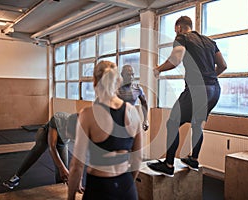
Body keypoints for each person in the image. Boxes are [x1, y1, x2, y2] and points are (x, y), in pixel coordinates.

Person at [147, 16, 227, 176]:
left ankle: (168, 165)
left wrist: (158, 69)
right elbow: (223, 65)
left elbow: (175, 60)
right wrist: (209, 79)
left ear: (178, 27)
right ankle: (193, 159)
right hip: (214, 90)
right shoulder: (210, 42)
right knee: (197, 125)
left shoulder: (182, 37)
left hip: (197, 89)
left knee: (172, 123)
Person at [68, 61, 143, 200]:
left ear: (94, 81)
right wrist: (125, 185)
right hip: (126, 187)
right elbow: (137, 159)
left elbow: (77, 165)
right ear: (118, 81)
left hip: (100, 187)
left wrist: (70, 197)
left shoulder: (88, 115)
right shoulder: (133, 112)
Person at [3, 112, 79, 189]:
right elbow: (52, 146)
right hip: (45, 134)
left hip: (62, 142)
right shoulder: (58, 119)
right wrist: (61, 168)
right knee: (39, 148)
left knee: (64, 169)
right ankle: (16, 177)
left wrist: (79, 179)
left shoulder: (83, 130)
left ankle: (60, 186)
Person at [117, 65, 149, 131]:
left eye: (132, 74)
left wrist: (145, 120)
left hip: (131, 121)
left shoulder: (137, 88)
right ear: (122, 75)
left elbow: (144, 104)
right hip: (117, 122)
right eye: (128, 75)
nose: (131, 77)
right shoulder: (116, 88)